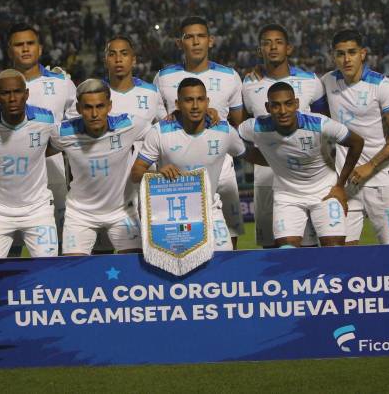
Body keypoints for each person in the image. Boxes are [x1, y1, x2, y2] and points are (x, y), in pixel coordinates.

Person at [0, 23, 77, 245]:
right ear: (10, 50)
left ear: (40, 48)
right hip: (9, 180)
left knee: (56, 245)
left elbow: (77, 126)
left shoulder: (62, 82)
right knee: (11, 249)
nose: (25, 49)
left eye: (30, 43)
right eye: (19, 45)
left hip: (54, 173)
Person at [131, 78, 265, 250]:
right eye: (189, 100)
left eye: (200, 99)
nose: (195, 106)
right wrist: (157, 174)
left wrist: (279, 161)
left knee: (224, 264)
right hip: (173, 217)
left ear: (207, 102)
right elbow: (136, 173)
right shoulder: (159, 132)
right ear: (177, 103)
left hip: (211, 211)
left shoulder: (224, 131)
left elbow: (250, 154)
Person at [153, 16, 245, 248]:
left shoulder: (230, 76)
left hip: (221, 166)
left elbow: (238, 124)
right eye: (189, 37)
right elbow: (160, 123)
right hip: (180, 168)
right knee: (182, 238)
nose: (195, 42)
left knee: (229, 237)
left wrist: (215, 124)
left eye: (201, 36)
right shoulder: (163, 77)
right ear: (179, 43)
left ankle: (226, 281)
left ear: (210, 41)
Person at [238, 82, 364, 247]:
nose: (283, 111)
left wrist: (340, 185)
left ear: (296, 104)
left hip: (325, 191)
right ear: (267, 107)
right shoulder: (255, 127)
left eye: (288, 104)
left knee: (334, 250)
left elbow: (357, 142)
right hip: (287, 196)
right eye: (276, 105)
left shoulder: (319, 124)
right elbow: (230, 138)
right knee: (287, 252)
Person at [322, 29, 389, 245]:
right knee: (341, 249)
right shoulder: (327, 82)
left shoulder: (381, 85)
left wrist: (370, 165)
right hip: (347, 181)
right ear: (333, 56)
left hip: (381, 177)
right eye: (340, 53)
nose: (346, 59)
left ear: (362, 54)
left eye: (351, 52)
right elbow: (298, 95)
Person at [242, 23, 328, 248]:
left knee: (309, 243)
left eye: (278, 42)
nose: (273, 47)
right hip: (266, 173)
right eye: (266, 43)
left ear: (288, 48)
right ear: (260, 50)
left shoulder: (311, 82)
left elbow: (323, 125)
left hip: (305, 175)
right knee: (272, 244)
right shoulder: (249, 84)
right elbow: (241, 130)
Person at [49, 79, 150, 256]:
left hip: (122, 211)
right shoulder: (62, 132)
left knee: (134, 269)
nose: (94, 113)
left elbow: (160, 137)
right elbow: (33, 146)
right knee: (72, 272)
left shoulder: (128, 124)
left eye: (100, 106)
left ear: (109, 106)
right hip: (80, 214)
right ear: (79, 109)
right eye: (88, 107)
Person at [0, 69, 59, 259]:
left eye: (17, 91)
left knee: (48, 270)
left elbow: (58, 144)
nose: (12, 98)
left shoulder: (46, 119)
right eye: (5, 93)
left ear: (26, 94)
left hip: (38, 209)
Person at [92, 35, 167, 255]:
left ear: (133, 59)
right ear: (105, 60)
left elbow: (166, 128)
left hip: (143, 175)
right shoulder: (94, 93)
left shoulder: (150, 93)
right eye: (112, 54)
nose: (118, 59)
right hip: (105, 179)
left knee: (141, 247)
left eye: (124, 54)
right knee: (101, 251)